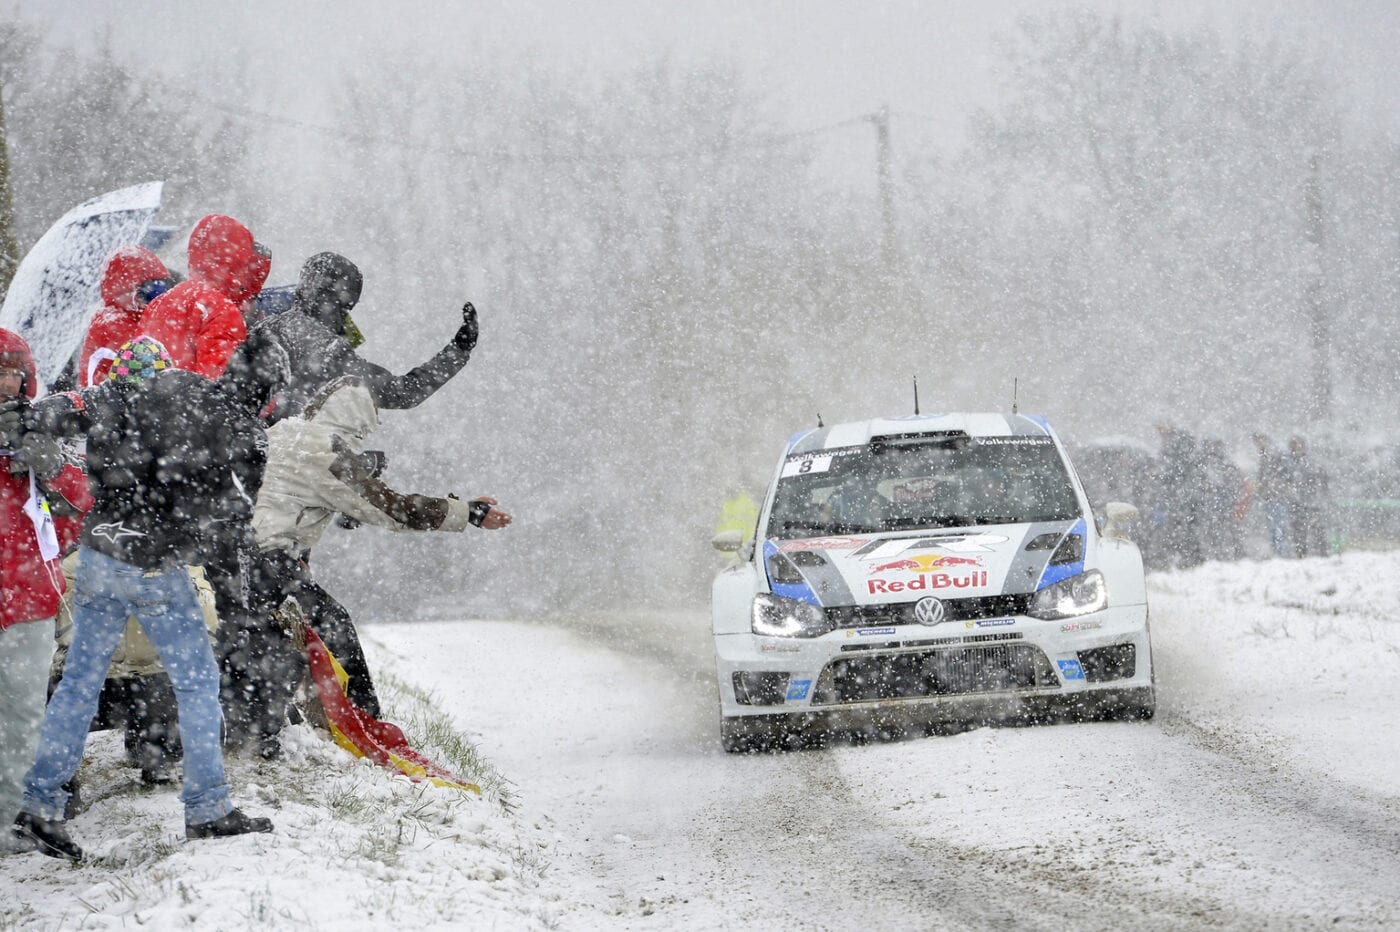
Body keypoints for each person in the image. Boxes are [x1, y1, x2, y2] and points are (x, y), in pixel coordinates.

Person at [10, 335, 282, 860]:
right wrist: (231, 593)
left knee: (79, 683)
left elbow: (60, 409)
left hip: (97, 555)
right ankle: (207, 808)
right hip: (153, 564)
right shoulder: (223, 418)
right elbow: (229, 522)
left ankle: (39, 804)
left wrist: (24, 415)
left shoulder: (113, 396)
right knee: (198, 683)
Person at [233, 376, 511, 748]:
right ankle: (364, 727)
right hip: (268, 561)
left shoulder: (283, 431)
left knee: (272, 638)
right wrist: (468, 513)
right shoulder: (326, 453)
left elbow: (291, 502)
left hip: (238, 555)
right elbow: (394, 510)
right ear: (356, 421)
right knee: (333, 631)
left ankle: (274, 725)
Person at [0, 330, 91, 855]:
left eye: (12, 371)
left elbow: (83, 509)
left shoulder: (41, 431)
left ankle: (10, 817)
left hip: (29, 596)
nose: (4, 381)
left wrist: (49, 465)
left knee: (22, 715)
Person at [249, 251, 478, 420]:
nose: (346, 320)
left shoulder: (262, 329)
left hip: (247, 458)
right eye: (346, 308)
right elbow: (402, 393)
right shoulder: (327, 351)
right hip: (291, 467)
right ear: (337, 301)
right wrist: (458, 350)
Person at [140, 214, 271, 379]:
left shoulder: (159, 303)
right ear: (239, 258)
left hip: (151, 401)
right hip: (188, 402)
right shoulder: (220, 308)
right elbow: (218, 385)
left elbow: (139, 364)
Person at [78, 245, 175, 387]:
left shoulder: (158, 319)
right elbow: (92, 382)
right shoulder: (110, 324)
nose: (158, 299)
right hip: (122, 404)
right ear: (129, 291)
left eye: (162, 289)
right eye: (151, 291)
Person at [1252, 433, 1293, 557]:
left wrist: (1275, 483)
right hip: (1270, 497)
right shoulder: (1265, 456)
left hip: (1276, 496)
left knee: (1278, 526)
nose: (1258, 444)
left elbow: (1285, 475)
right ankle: (1278, 552)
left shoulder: (1273, 456)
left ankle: (1281, 552)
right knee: (1273, 526)